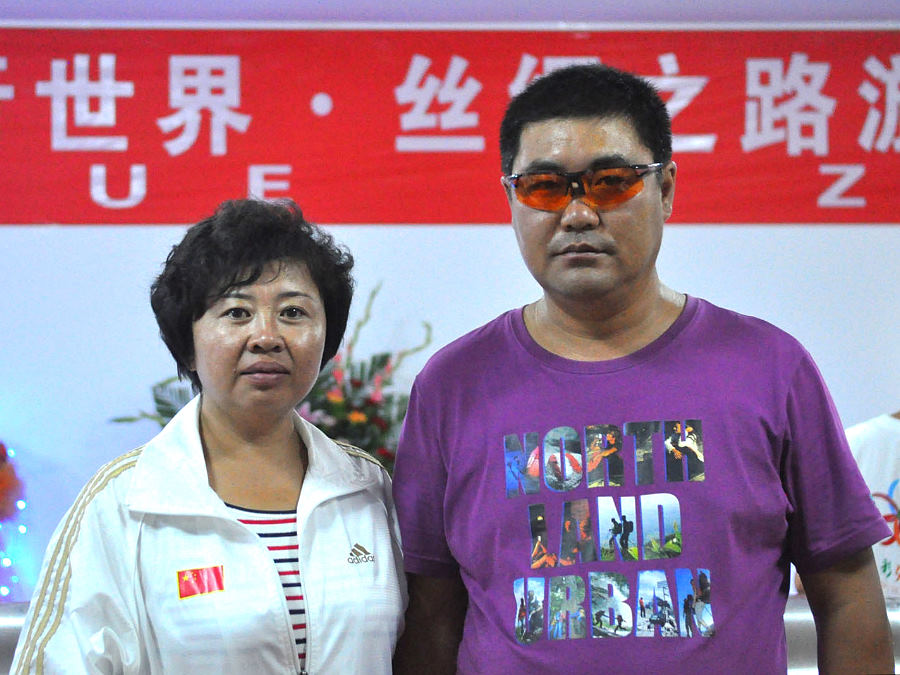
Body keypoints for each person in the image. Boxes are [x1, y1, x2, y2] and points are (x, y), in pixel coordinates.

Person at [391, 64, 892, 673]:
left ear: (667, 189)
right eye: (545, 187)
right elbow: (432, 614)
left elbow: (847, 593)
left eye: (610, 183)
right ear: (511, 200)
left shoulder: (770, 370)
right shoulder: (452, 387)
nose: (578, 214)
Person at [12, 199, 406, 674]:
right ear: (188, 344)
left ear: (327, 337)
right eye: (237, 313)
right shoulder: (124, 502)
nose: (266, 336)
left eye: (293, 312)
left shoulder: (367, 488)